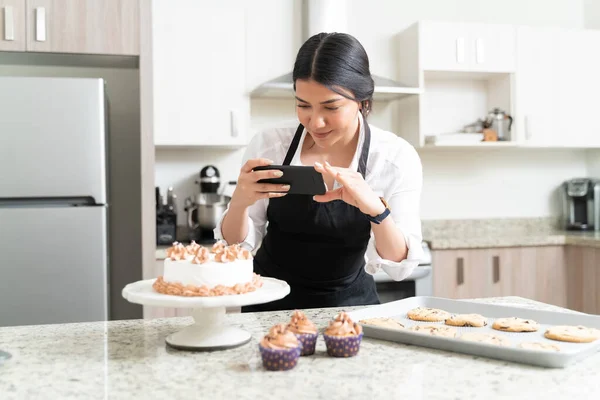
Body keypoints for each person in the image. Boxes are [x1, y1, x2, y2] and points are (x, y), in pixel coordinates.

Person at [215, 32, 424, 312]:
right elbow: (234, 249)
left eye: (331, 107)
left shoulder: (393, 158)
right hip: (266, 306)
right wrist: (239, 201)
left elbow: (400, 266)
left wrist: (376, 211)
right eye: (303, 105)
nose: (316, 122)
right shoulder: (270, 145)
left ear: (362, 100)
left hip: (350, 310)